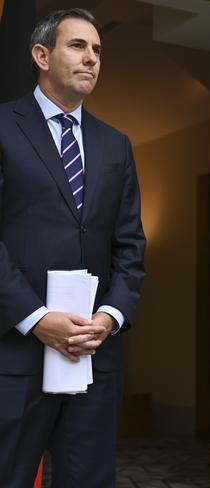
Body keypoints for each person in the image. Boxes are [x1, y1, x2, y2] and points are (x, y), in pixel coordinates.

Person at [0, 8, 146, 486]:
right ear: (41, 55)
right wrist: (37, 318)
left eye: (98, 50)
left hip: (92, 356)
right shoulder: (3, 127)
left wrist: (108, 318)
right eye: (78, 46)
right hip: (15, 352)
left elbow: (130, 248)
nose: (92, 59)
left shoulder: (116, 145)